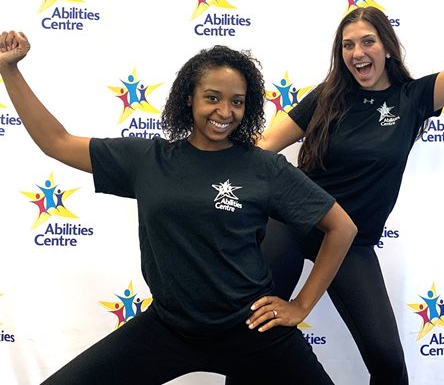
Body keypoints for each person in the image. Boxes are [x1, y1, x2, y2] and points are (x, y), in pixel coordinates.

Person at [0, 31, 357, 385]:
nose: (225, 111)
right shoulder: (147, 160)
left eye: (237, 101)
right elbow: (56, 142)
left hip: (250, 329)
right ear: (189, 98)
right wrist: (9, 71)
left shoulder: (263, 167)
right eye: (212, 98)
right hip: (170, 328)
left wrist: (301, 305)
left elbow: (342, 228)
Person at [226, 6, 444, 385]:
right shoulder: (327, 96)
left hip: (351, 240)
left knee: (388, 360)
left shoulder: (414, 98)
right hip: (293, 222)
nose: (357, 52)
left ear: (386, 46)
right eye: (348, 45)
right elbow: (266, 146)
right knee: (256, 330)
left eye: (367, 41)